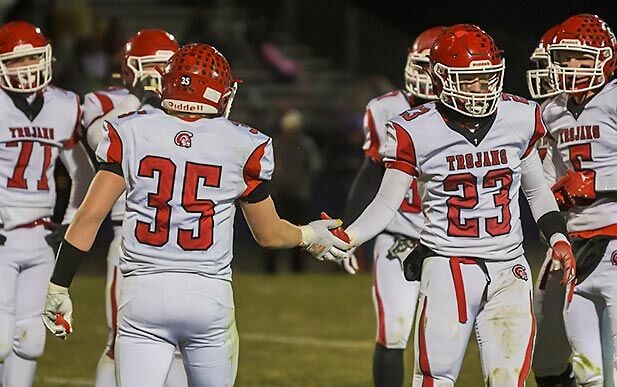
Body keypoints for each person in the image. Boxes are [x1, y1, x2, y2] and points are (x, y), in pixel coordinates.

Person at [42, 43, 349, 387]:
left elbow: (89, 217)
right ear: (221, 93)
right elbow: (270, 235)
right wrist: (309, 235)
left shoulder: (130, 131)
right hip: (207, 296)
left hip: (142, 294)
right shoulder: (242, 144)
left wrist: (58, 286)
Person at [339, 24, 576, 386]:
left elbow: (537, 190)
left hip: (509, 266)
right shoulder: (415, 129)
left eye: (488, 77)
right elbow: (387, 200)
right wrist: (349, 236)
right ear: (442, 79)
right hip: (448, 264)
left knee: (508, 379)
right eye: (471, 80)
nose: (484, 88)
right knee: (436, 377)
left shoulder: (520, 117)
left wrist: (557, 238)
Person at [80, 29, 188, 387]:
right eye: (149, 68)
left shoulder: (188, 108)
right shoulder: (105, 101)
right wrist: (139, 101)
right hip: (130, 235)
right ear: (129, 70)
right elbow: (99, 139)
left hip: (184, 241)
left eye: (164, 67)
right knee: (120, 344)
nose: (157, 76)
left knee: (181, 347)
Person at [341, 26, 445, 387]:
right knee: (394, 330)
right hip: (398, 234)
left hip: (448, 242)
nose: (424, 74)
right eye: (420, 64)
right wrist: (354, 234)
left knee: (440, 342)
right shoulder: (385, 108)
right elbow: (370, 174)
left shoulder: (468, 115)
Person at [0, 20, 94, 387]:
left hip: (41, 237)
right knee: (2, 338)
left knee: (31, 339)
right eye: (16, 61)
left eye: (33, 59)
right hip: (3, 234)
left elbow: (83, 173)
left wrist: (70, 221)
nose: (27, 69)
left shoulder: (64, 105)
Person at [541, 13, 617, 387]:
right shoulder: (551, 110)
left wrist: (597, 182)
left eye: (582, 58)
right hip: (577, 246)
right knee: (588, 371)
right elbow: (547, 179)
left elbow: (585, 181)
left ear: (606, 57)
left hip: (616, 237)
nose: (572, 67)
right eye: (566, 58)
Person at [526, 23, 579, 387]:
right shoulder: (543, 115)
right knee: (546, 354)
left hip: (607, 239)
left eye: (557, 62)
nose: (548, 73)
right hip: (563, 241)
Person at [265, 108, 322, 273]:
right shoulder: (277, 144)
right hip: (281, 194)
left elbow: (315, 166)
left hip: (296, 194)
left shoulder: (303, 145)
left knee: (299, 234)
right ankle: (272, 269)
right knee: (273, 232)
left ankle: (296, 268)